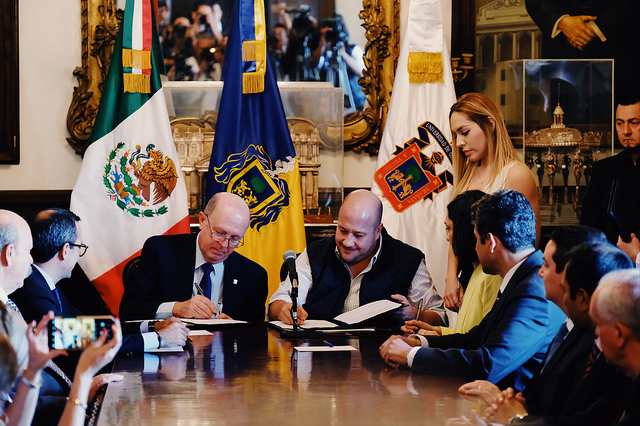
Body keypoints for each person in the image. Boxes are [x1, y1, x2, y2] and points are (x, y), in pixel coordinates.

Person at [379, 190, 565, 392]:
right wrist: (418, 343)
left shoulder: (532, 291)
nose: (475, 247)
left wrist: (410, 355)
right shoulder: (521, 279)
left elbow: (487, 364)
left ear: (491, 242)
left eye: (476, 239)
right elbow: (474, 338)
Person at [453, 243, 633, 425]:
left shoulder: (601, 352)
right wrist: (516, 409)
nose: (596, 333)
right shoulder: (578, 333)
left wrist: (518, 418)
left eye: (600, 324)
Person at [10, 209, 188, 353]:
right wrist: (159, 339)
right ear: (65, 250)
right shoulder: (34, 293)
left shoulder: (44, 285)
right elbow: (83, 341)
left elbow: (92, 328)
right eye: (80, 247)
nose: (79, 255)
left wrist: (153, 327)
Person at [268, 189, 446, 327]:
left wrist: (415, 315)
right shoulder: (315, 254)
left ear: (377, 231)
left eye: (358, 235)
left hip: (382, 357)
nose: (347, 242)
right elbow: (276, 303)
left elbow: (441, 317)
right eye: (342, 230)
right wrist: (284, 309)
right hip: (319, 353)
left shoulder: (408, 260)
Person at [444, 93, 540, 313]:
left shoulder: (516, 175)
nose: (459, 143)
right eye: (455, 135)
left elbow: (528, 246)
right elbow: (455, 230)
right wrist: (451, 275)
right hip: (467, 279)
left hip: (498, 283)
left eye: (464, 132)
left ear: (490, 124)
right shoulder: (467, 172)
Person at [120, 192, 268, 322]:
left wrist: (236, 329)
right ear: (202, 220)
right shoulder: (161, 252)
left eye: (234, 238)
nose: (224, 244)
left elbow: (256, 333)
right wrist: (176, 308)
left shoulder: (253, 275)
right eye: (219, 233)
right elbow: (129, 310)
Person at [402, 190, 502, 336]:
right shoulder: (476, 273)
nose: (447, 238)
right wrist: (433, 331)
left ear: (465, 232)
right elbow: (464, 334)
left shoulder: (491, 277)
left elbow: (483, 341)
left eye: (449, 229)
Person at [524, 0, 640, 100]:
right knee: (564, 115)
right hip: (561, 52)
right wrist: (561, 21)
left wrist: (598, 26)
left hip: (621, 47)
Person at [581, 96, 640, 260]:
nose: (626, 131)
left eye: (634, 123)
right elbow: (588, 231)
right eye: (620, 123)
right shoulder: (603, 170)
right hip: (609, 267)